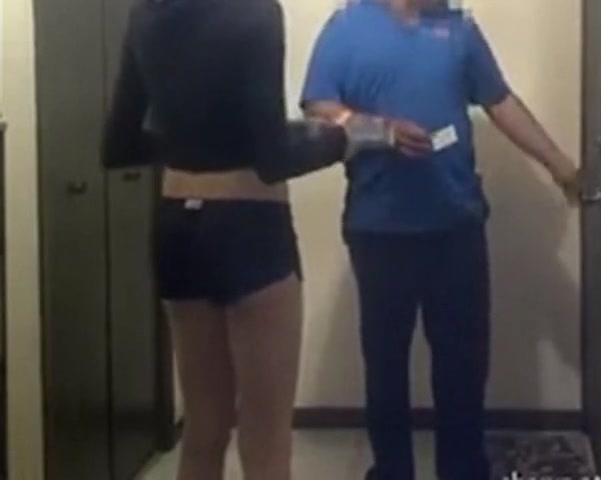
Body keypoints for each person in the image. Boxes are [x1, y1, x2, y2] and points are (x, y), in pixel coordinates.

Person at [101, 0, 392, 478]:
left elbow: (118, 143)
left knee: (203, 428)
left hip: (176, 226)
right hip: (247, 224)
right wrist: (347, 138)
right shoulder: (255, 11)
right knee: (266, 437)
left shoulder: (146, 12)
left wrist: (193, 143)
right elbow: (273, 157)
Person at [301, 1, 580, 479]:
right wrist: (381, 130)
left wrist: (560, 165)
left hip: (457, 228)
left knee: (463, 366)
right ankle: (392, 470)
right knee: (385, 365)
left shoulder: (459, 28)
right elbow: (318, 108)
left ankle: (463, 468)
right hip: (379, 231)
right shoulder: (346, 26)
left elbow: (500, 102)